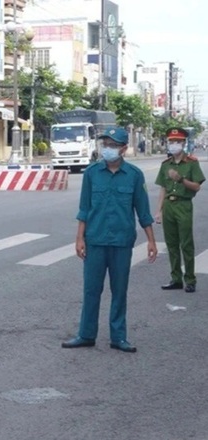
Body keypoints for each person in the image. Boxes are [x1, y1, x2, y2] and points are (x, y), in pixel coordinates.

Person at [62, 127, 157, 353]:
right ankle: (86, 334)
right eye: (105, 144)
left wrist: (151, 241)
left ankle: (119, 337)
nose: (108, 149)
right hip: (95, 240)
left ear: (123, 149)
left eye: (113, 145)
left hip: (122, 242)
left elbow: (143, 211)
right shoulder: (92, 173)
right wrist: (79, 239)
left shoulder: (134, 175)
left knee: (119, 290)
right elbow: (84, 208)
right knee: (91, 290)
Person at [155, 127, 205, 293]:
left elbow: (197, 187)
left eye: (177, 141)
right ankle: (176, 279)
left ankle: (190, 279)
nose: (174, 144)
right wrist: (159, 211)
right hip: (169, 205)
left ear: (184, 143)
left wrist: (181, 179)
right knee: (171, 244)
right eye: (171, 141)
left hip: (183, 205)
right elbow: (163, 188)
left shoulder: (191, 163)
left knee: (186, 244)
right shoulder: (165, 165)